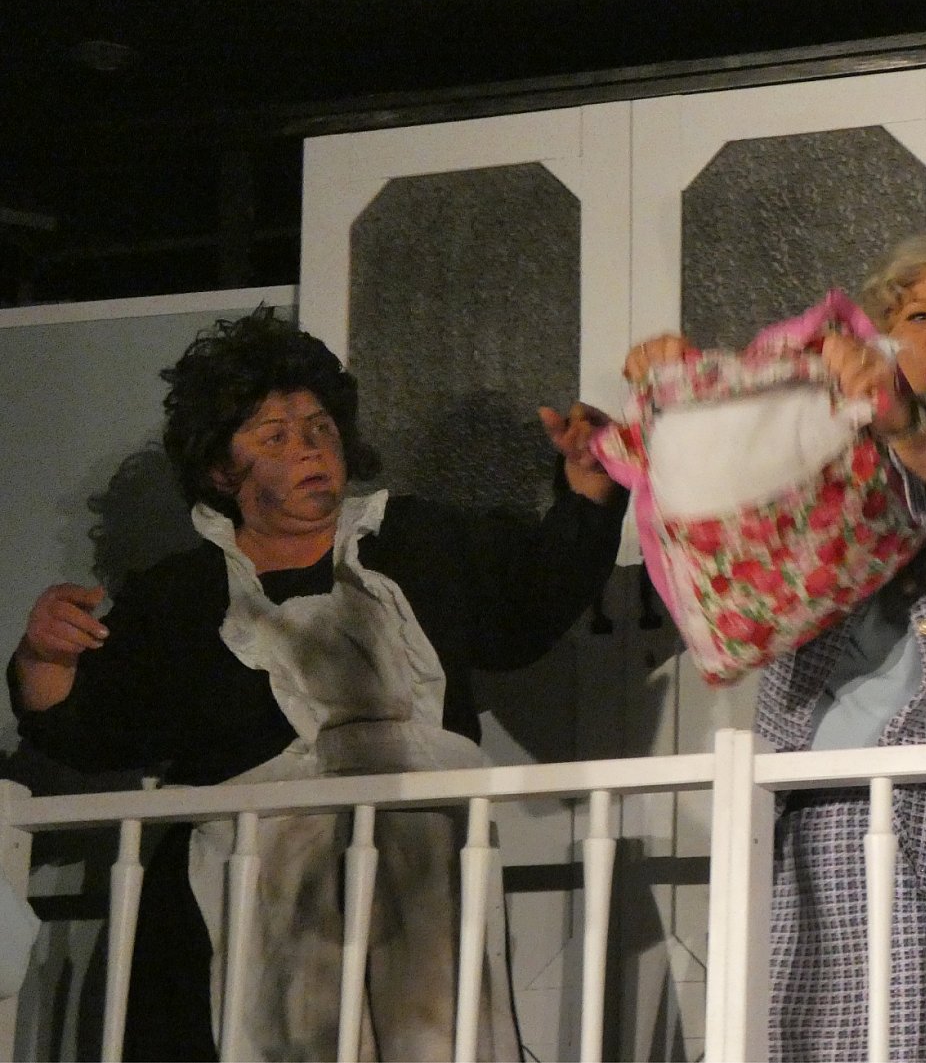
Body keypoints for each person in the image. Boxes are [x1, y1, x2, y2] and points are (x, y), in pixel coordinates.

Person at [10, 307, 627, 1061]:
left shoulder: (420, 542)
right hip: (247, 912)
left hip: (421, 903)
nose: (308, 446)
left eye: (319, 427)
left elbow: (528, 609)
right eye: (274, 436)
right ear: (222, 471)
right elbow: (84, 728)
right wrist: (45, 655)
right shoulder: (181, 598)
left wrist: (588, 491)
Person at [625, 226, 926, 1061]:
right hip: (833, 817)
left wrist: (907, 425)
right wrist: (679, 395)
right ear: (881, 336)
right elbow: (731, 498)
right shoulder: (825, 433)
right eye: (920, 316)